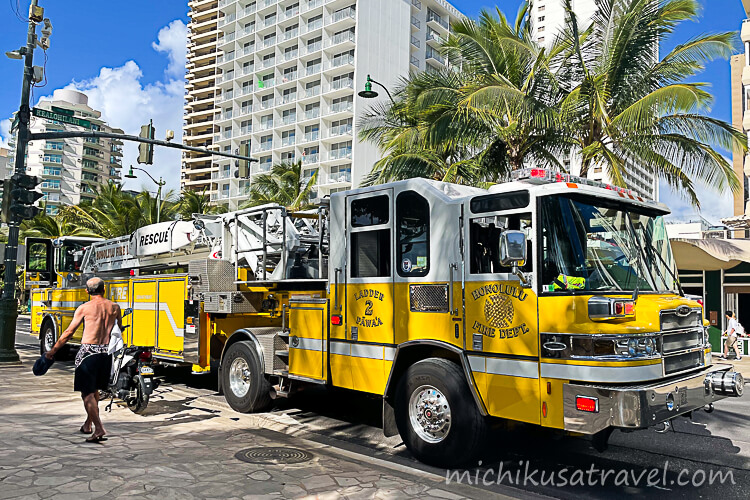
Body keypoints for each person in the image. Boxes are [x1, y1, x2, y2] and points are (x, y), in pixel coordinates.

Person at [45, 277, 121, 443]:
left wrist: (53, 351)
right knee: (94, 391)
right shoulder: (115, 307)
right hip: (105, 353)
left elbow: (69, 332)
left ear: (87, 291)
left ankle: (99, 428)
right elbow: (118, 329)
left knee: (86, 394)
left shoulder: (84, 308)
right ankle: (88, 424)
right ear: (104, 289)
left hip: (88, 352)